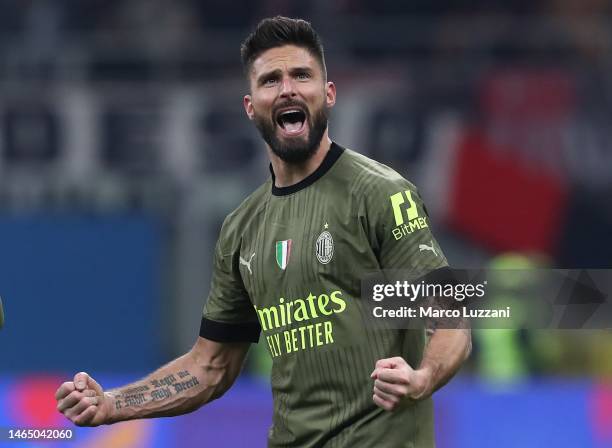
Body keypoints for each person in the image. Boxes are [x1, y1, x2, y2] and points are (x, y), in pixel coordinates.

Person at [55, 16, 471, 447]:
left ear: (328, 95)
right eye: (271, 80)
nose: (288, 88)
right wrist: (112, 404)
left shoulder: (380, 193)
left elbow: (454, 320)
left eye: (302, 75)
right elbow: (211, 366)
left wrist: (421, 378)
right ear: (251, 107)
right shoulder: (241, 228)